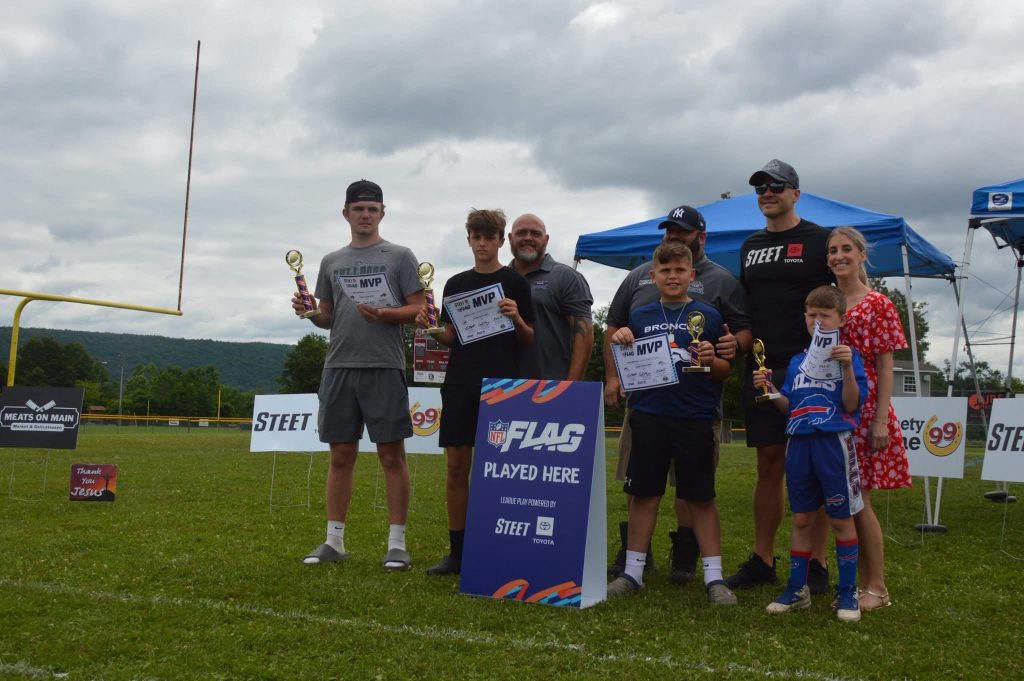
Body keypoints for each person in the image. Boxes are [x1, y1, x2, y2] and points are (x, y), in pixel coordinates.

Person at [604, 204, 750, 584]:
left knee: (699, 495)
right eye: (665, 271)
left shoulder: (711, 310)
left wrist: (712, 357)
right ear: (654, 275)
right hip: (648, 413)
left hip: (695, 415)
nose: (672, 275)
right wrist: (619, 348)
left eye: (679, 269)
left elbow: (724, 366)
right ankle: (633, 569)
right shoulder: (641, 311)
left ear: (692, 273)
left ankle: (708, 574)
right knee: (642, 492)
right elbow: (618, 333)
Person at [293, 179, 424, 571]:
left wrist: (385, 314)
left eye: (372, 209)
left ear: (382, 213)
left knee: (391, 455)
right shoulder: (331, 261)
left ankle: (396, 543)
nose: (365, 215)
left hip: (384, 366)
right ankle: (334, 540)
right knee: (341, 454)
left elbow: (417, 310)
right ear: (346, 213)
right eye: (358, 209)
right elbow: (327, 317)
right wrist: (310, 311)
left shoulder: (399, 256)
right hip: (338, 366)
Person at [729, 160, 834, 594]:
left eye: (776, 186)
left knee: (816, 463)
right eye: (760, 188)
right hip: (762, 367)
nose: (767, 192)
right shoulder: (750, 245)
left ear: (795, 193)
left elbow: (835, 299)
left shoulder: (819, 239)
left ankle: (818, 563)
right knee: (769, 461)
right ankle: (763, 559)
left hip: (811, 366)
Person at [417, 209, 535, 576]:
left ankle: (495, 546)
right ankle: (458, 551)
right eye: (476, 236)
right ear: (469, 240)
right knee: (456, 467)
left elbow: (529, 339)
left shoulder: (516, 283)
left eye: (490, 237)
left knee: (497, 469)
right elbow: (453, 337)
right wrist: (435, 331)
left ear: (502, 240)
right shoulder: (455, 284)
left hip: (502, 386)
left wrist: (516, 317)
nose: (482, 243)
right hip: (460, 382)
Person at [755, 285, 867, 622]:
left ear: (841, 319)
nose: (816, 321)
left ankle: (847, 592)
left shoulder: (849, 356)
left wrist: (847, 367)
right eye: (811, 315)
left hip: (832, 442)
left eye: (824, 315)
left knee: (840, 519)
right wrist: (770, 390)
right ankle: (796, 588)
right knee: (802, 517)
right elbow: (791, 407)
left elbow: (851, 404)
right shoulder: (796, 362)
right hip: (799, 442)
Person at [827, 226, 910, 611]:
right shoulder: (826, 302)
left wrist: (879, 421)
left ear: (862, 255)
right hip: (833, 410)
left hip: (866, 412)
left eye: (846, 249)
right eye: (832, 250)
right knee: (842, 502)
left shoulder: (878, 303)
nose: (838, 255)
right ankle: (852, 585)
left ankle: (876, 586)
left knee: (861, 503)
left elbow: (886, 364)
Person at [508, 213, 594, 380]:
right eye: (521, 233)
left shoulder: (566, 277)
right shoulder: (500, 279)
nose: (528, 238)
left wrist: (571, 387)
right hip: (502, 387)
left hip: (552, 386)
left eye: (535, 233)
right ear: (510, 238)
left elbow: (584, 334)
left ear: (546, 239)